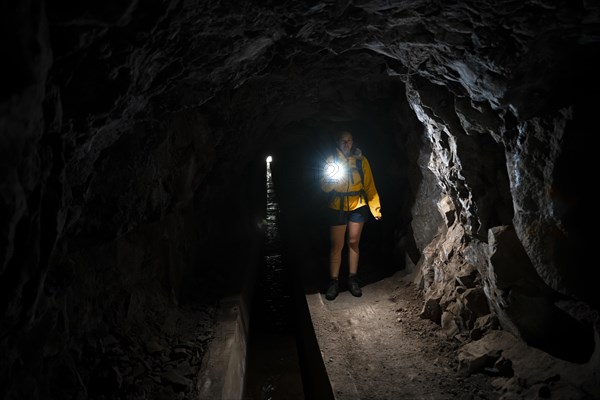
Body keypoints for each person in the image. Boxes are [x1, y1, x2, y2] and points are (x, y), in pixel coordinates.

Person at [320, 130, 382, 300]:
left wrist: (375, 208)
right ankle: (333, 281)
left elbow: (369, 186)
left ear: (353, 141)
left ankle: (352, 279)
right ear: (337, 142)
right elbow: (324, 187)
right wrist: (331, 181)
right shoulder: (331, 160)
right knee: (336, 245)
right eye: (342, 140)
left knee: (354, 242)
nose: (346, 143)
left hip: (358, 205)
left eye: (349, 140)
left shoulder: (361, 161)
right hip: (337, 206)